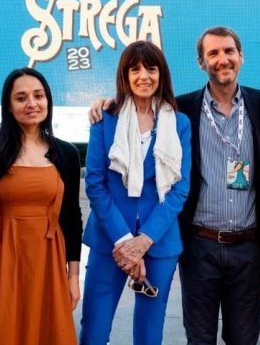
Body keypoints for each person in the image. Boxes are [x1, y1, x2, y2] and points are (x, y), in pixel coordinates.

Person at [89, 26, 260, 344]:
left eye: (228, 51)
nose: (222, 59)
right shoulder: (181, 110)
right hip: (200, 246)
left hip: (248, 246)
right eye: (213, 53)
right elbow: (140, 107)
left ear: (240, 56)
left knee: (243, 338)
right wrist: (109, 103)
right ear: (201, 62)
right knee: (200, 338)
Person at [80, 40, 192, 344]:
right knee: (94, 330)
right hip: (109, 241)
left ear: (161, 74)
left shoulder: (179, 123)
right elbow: (95, 184)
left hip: (159, 242)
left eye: (151, 69)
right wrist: (124, 242)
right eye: (135, 69)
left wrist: (144, 240)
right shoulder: (105, 119)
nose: (144, 76)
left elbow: (180, 189)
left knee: (149, 333)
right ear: (125, 76)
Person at [0, 68, 82, 345]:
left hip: (48, 261)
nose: (32, 104)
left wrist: (73, 276)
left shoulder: (66, 154)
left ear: (48, 101)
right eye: (21, 97)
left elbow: (72, 219)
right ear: (8, 105)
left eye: (38, 96)